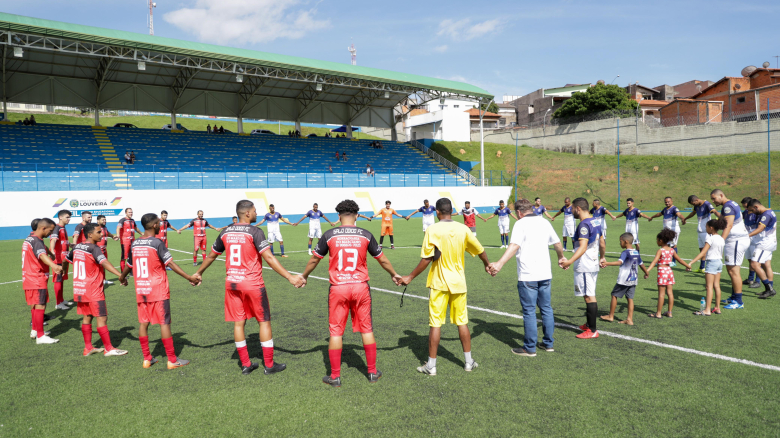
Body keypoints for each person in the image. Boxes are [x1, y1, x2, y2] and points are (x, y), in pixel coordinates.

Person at [193, 200, 304, 375]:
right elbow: (268, 257)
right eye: (254, 210)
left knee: (239, 323)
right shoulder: (255, 231)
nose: (256, 213)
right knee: (264, 321)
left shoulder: (226, 231)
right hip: (252, 284)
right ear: (246, 213)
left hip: (232, 284)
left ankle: (246, 364)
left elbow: (212, 255)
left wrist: (199, 272)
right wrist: (290, 277)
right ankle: (269, 365)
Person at [301, 199, 402, 387]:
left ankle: (335, 376)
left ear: (338, 216)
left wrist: (304, 276)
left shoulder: (330, 234)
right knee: (367, 328)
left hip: (338, 288)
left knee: (336, 331)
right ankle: (372, 372)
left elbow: (315, 260)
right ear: (356, 215)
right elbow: (383, 260)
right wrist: (394, 274)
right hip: (360, 287)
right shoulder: (365, 234)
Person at [398, 198, 491, 376]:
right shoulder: (462, 228)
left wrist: (409, 276)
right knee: (462, 322)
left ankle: (431, 366)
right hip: (458, 283)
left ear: (437, 212)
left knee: (435, 324)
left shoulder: (433, 229)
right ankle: (469, 362)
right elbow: (480, 249)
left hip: (439, 283)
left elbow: (427, 258)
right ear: (451, 211)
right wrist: (487, 264)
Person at [488, 199, 565, 356]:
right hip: (545, 274)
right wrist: (561, 258)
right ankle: (548, 344)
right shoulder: (544, 223)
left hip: (528, 274)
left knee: (529, 311)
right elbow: (557, 243)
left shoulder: (520, 224)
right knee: (546, 308)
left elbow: (515, 245)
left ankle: (529, 348)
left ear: (518, 212)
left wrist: (500, 263)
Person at [118, 213, 196, 369]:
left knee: (143, 323)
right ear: (154, 225)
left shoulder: (135, 244)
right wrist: (189, 277)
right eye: (159, 222)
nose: (161, 224)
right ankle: (172, 360)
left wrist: (122, 278)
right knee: (164, 323)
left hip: (142, 289)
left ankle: (147, 358)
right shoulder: (157, 242)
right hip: (157, 289)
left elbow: (129, 265)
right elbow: (171, 264)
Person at [66, 223, 127, 357]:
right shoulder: (94, 248)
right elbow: (104, 262)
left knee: (87, 316)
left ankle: (88, 348)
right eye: (99, 232)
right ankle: (109, 348)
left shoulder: (77, 247)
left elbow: (67, 259)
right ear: (90, 234)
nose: (102, 234)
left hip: (80, 288)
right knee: (102, 318)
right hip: (93, 289)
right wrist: (120, 276)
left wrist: (62, 270)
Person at [559, 198, 605, 339]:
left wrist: (569, 262)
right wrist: (602, 257)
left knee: (589, 296)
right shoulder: (596, 221)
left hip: (584, 264)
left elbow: (583, 247)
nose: (572, 211)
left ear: (578, 208)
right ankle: (588, 324)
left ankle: (592, 330)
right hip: (592, 261)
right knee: (588, 293)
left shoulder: (584, 225)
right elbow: (602, 242)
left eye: (573, 208)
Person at [24, 218, 63, 344]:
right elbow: (41, 254)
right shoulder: (37, 241)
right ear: (43, 228)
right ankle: (40, 336)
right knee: (40, 305)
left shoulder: (31, 238)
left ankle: (35, 330)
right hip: (37, 277)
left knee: (36, 304)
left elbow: (41, 247)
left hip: (29, 277)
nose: (50, 234)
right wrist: (54, 265)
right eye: (50, 231)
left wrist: (50, 253)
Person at [710, 189, 751, 309]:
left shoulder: (728, 206)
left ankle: (738, 301)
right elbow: (723, 221)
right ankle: (734, 297)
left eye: (714, 198)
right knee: (731, 270)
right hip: (736, 240)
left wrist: (720, 241)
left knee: (733, 271)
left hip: (736, 240)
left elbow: (728, 225)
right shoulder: (729, 204)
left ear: (721, 195)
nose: (713, 201)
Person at [598, 233, 649, 326]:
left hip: (624, 279)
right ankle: (629, 319)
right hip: (633, 280)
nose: (620, 243)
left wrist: (607, 263)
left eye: (620, 241)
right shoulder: (636, 252)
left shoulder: (625, 252)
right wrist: (646, 272)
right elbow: (641, 264)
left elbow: (619, 262)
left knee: (614, 295)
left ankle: (611, 316)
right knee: (630, 298)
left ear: (626, 242)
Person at [646, 229, 692, 318]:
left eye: (657, 240)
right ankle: (669, 312)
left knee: (661, 294)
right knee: (670, 293)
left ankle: (658, 313)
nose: (657, 242)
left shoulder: (660, 251)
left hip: (662, 272)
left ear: (661, 240)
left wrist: (647, 270)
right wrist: (688, 266)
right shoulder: (672, 250)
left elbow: (654, 262)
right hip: (669, 272)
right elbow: (680, 260)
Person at [688, 218, 727, 315]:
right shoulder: (721, 238)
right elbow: (721, 254)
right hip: (719, 263)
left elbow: (703, 253)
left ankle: (707, 310)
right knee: (717, 286)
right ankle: (717, 308)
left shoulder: (710, 238)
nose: (706, 229)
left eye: (706, 227)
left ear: (711, 228)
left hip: (712, 263)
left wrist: (691, 262)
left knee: (709, 286)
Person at [746, 199, 776, 299]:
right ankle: (769, 289)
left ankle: (769, 289)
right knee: (767, 265)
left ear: (756, 207)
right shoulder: (769, 211)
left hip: (764, 244)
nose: (752, 213)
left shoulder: (766, 215)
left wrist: (747, 236)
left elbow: (760, 229)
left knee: (754, 264)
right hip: (770, 242)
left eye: (752, 210)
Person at [684, 195, 720, 273]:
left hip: (706, 231)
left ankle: (710, 268)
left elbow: (714, 211)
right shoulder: (696, 206)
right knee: (701, 250)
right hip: (700, 231)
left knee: (707, 250)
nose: (693, 205)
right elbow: (693, 213)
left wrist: (722, 218)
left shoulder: (706, 204)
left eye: (693, 203)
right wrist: (685, 218)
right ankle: (702, 268)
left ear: (697, 200)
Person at [49, 209, 73, 310]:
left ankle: (61, 300)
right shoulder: (57, 228)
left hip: (64, 258)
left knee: (61, 279)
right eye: (67, 217)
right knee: (58, 280)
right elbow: (53, 240)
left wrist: (71, 245)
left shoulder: (63, 228)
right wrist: (52, 250)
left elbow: (62, 242)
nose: (69, 219)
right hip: (57, 258)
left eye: (69, 217)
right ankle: (58, 303)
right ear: (60, 217)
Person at [741, 197, 760, 288]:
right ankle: (750, 279)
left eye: (746, 207)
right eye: (744, 207)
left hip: (755, 238)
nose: (746, 209)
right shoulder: (745, 212)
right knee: (750, 259)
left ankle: (758, 280)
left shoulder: (757, 214)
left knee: (755, 260)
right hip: (746, 238)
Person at [96, 215, 119, 284]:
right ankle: (97, 280)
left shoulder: (104, 227)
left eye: (105, 220)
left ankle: (103, 280)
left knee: (103, 266)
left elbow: (107, 233)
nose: (104, 221)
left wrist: (112, 236)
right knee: (97, 267)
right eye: (103, 220)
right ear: (98, 221)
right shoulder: (96, 228)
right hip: (98, 250)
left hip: (104, 250)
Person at [116, 208, 140, 272]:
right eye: (129, 212)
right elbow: (118, 227)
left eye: (131, 212)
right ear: (126, 213)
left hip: (132, 242)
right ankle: (123, 273)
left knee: (132, 256)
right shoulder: (122, 220)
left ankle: (132, 272)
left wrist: (141, 233)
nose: (131, 213)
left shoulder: (132, 220)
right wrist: (118, 235)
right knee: (124, 258)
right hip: (125, 242)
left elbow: (135, 228)